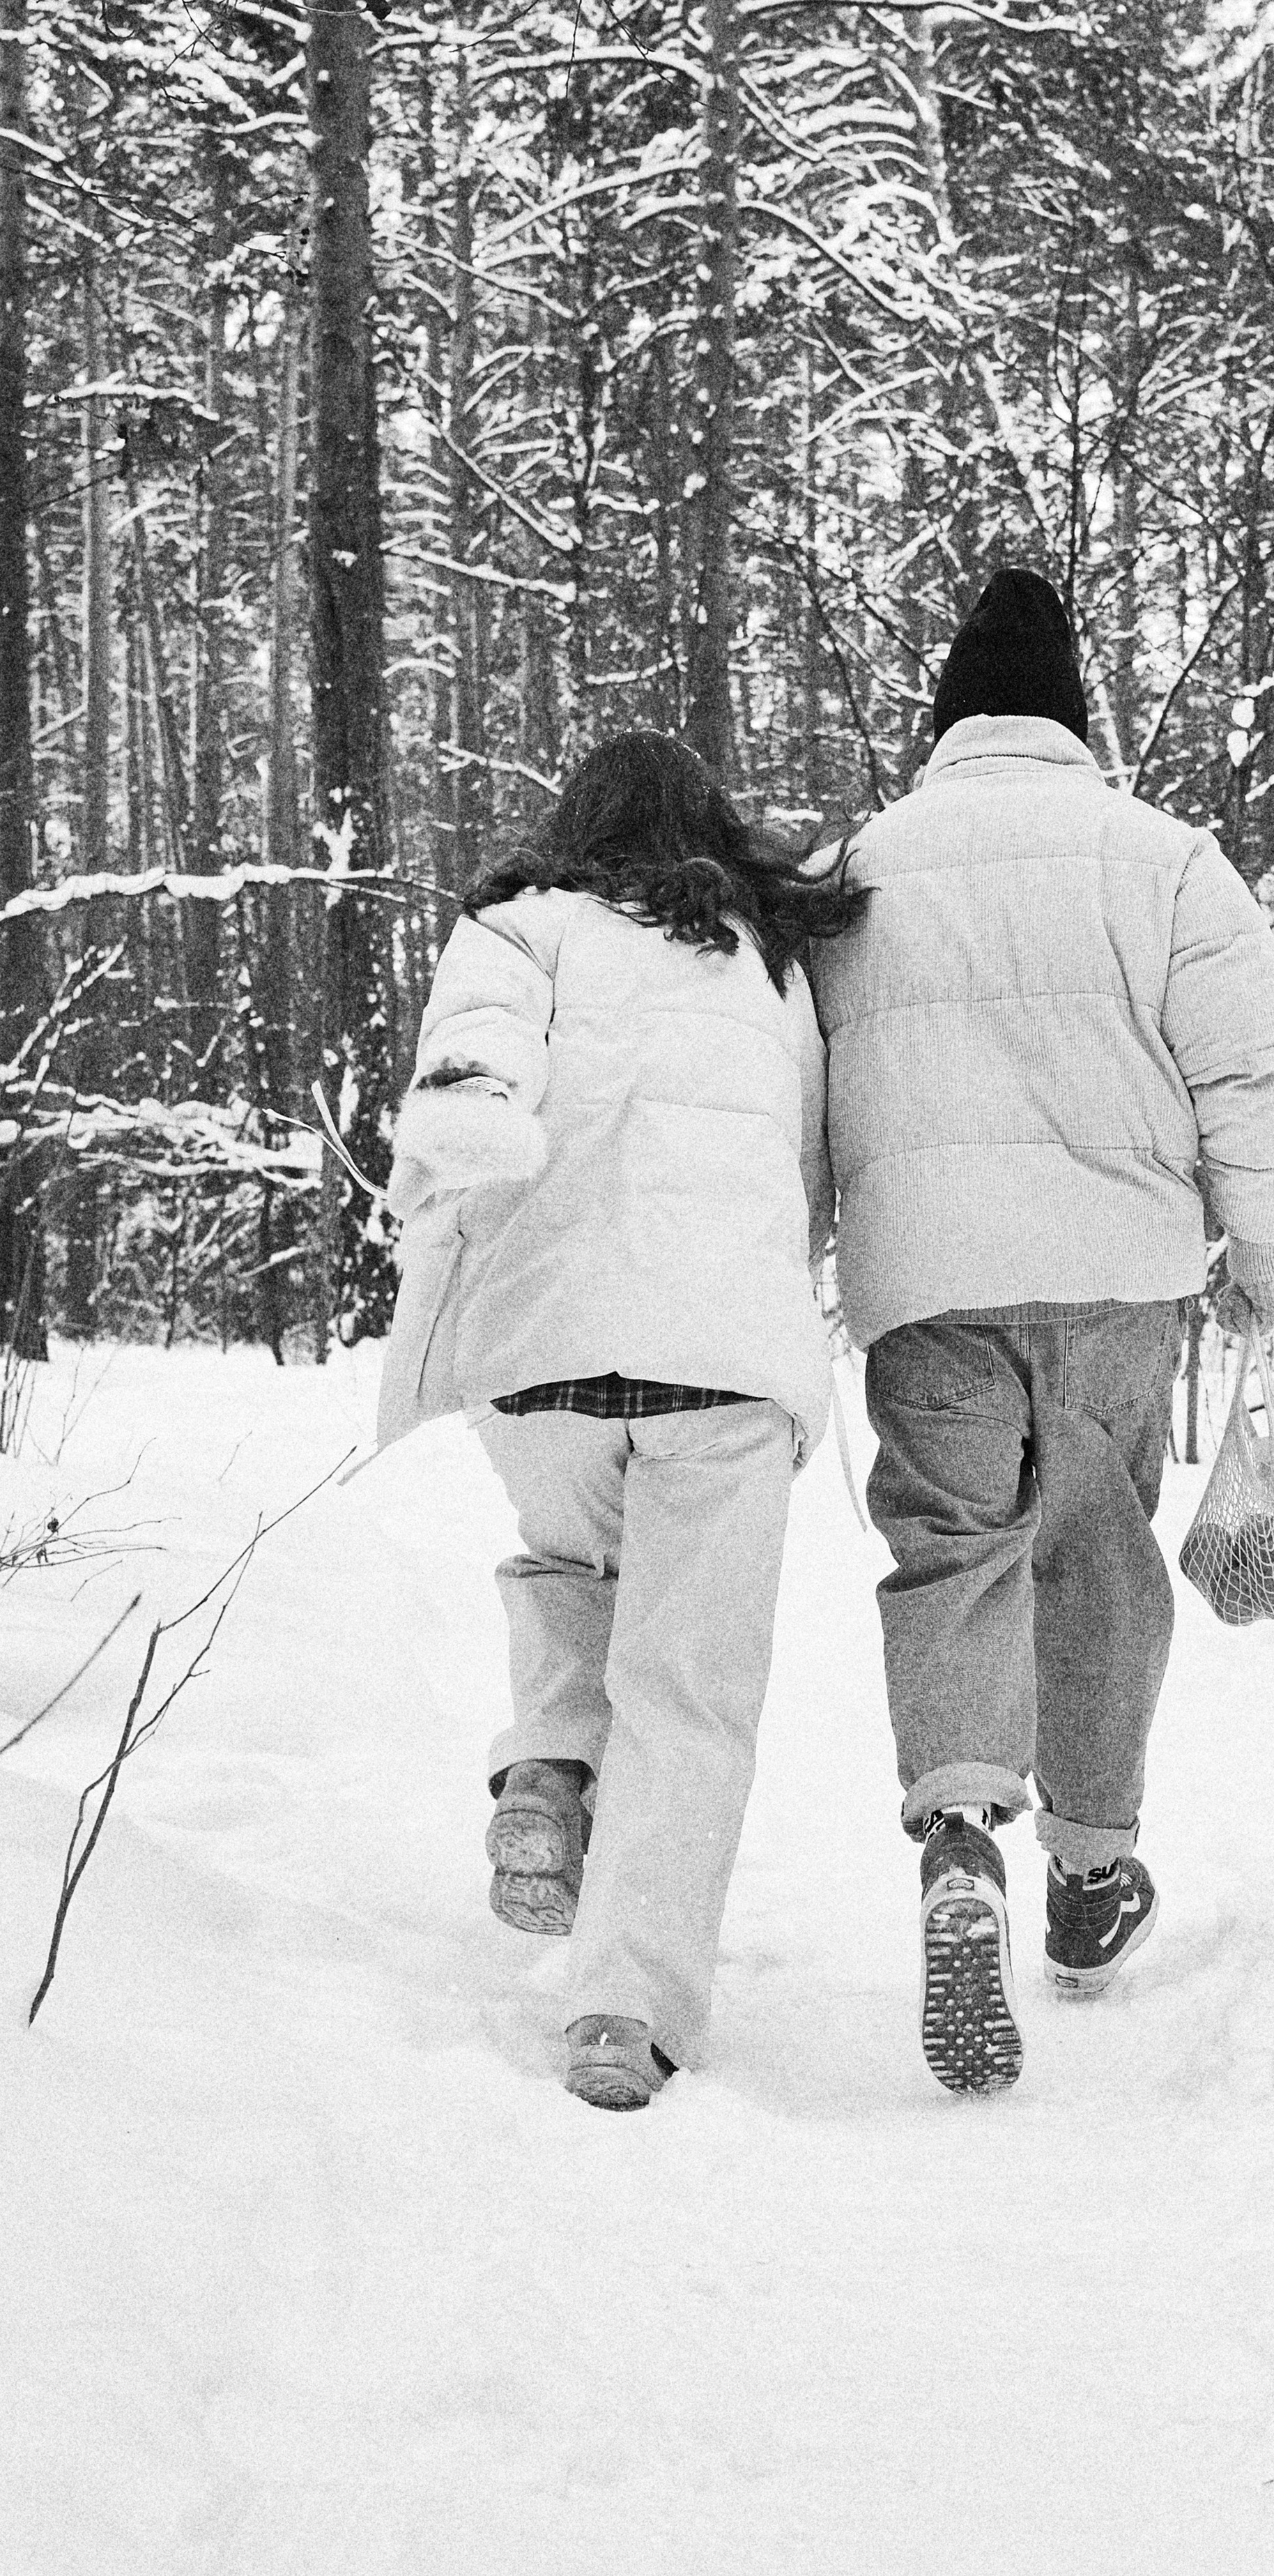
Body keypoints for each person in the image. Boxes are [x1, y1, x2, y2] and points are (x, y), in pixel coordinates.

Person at [808, 567, 1274, 2096]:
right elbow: (1252, 1071)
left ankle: (961, 1835)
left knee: (951, 1546)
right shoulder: (1161, 860)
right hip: (1116, 1274)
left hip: (928, 1288)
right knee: (1095, 1546)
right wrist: (1261, 1244)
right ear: (1072, 716)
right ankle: (1091, 1877)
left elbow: (788, 1074)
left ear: (947, 718)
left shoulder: (856, 870)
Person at [377, 733, 862, 2112]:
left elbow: (468, 1060)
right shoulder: (771, 968)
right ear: (710, 829)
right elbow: (813, 1172)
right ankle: (620, 2017)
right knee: (687, 1699)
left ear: (574, 827)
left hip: (543, 1354)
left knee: (567, 1560)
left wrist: (468, 1133)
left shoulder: (519, 926)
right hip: (722, 1359)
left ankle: (543, 1767)